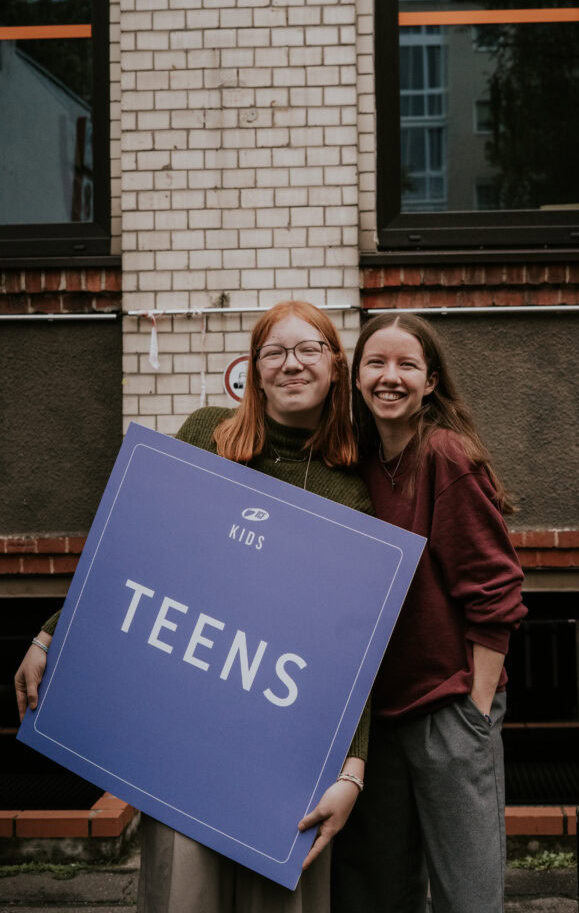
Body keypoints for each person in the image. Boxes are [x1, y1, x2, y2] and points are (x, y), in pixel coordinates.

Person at [15, 300, 372, 913]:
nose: (292, 364)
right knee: (186, 890)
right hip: (188, 727)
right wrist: (52, 635)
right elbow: (139, 548)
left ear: (336, 366)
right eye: (275, 352)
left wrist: (353, 768)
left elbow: (354, 647)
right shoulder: (208, 434)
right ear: (254, 371)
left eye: (309, 350)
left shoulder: (354, 489)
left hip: (287, 742)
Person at [332, 312, 527, 913]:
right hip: (378, 721)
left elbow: (496, 593)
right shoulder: (354, 462)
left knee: (467, 898)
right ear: (356, 377)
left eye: (407, 365)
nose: (390, 377)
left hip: (447, 709)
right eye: (376, 363)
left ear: (431, 381)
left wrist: (474, 711)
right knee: (377, 895)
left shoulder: (444, 456)